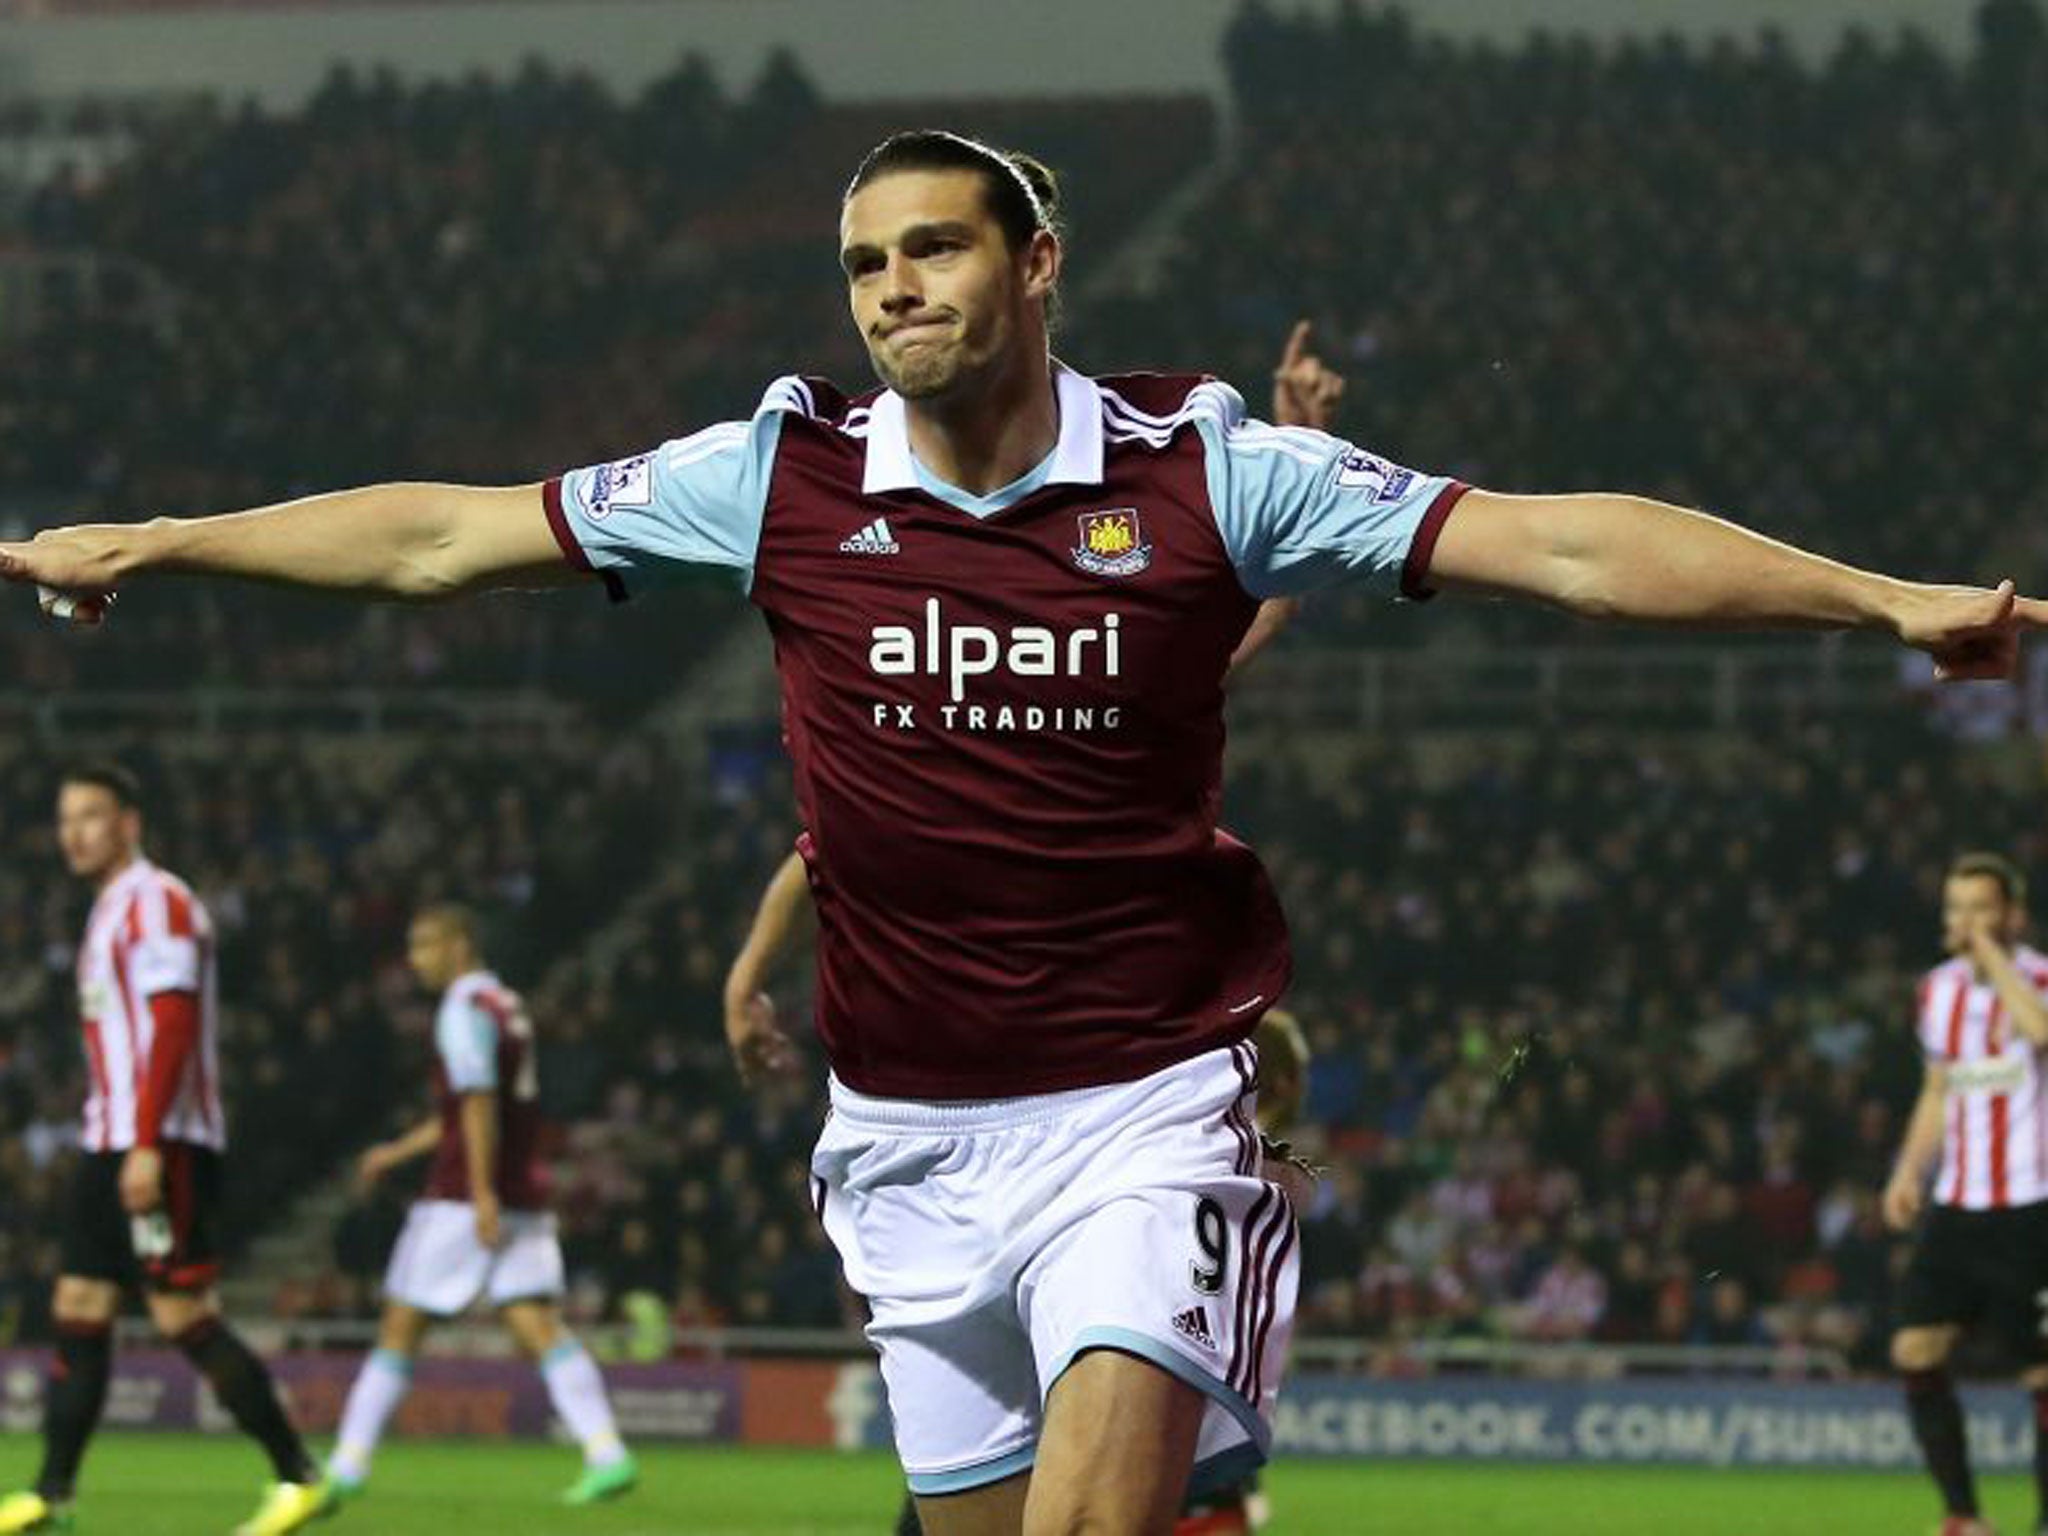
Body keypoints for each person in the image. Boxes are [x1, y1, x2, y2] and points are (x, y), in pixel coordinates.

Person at [4, 129, 2043, 1536]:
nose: (896, 287)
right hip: (899, 1140)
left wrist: (1877, 596)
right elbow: (446, 532)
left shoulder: (1206, 470)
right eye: (868, 259)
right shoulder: (775, 476)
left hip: (1148, 1109)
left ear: (1036, 262)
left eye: (939, 247)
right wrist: (173, 540)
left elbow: (1571, 550)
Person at [720, 323, 1341, 1536]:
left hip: (1116, 1085)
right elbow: (822, 854)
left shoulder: (1111, 677)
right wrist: (748, 974)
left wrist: (1302, 462)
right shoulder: (914, 732)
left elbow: (1214, 626)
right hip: (942, 1118)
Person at [0, 765, 329, 1536]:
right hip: (107, 1137)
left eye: (91, 815)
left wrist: (147, 1145)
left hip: (162, 1142)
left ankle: (297, 1475)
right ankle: (54, 1494)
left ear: (129, 823)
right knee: (77, 1307)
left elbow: (173, 1023)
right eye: (66, 817)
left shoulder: (159, 902)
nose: (74, 831)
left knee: (182, 1313)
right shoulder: (108, 910)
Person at [323, 904, 635, 1507]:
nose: (416, 960)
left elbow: (478, 1103)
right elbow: (464, 1111)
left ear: (460, 944)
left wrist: (481, 1192)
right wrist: (395, 1152)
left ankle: (346, 1465)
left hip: (465, 1198)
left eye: (424, 945)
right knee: (536, 1324)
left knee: (400, 1324)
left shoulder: (461, 1010)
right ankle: (607, 1452)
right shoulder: (506, 1005)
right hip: (526, 1189)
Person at [1884, 852, 2048, 1536]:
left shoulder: (2038, 977)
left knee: (2042, 1377)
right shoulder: (1936, 991)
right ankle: (1963, 1517)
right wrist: (1905, 1172)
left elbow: (2042, 1034)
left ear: (2012, 914)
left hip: (2032, 1207)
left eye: (1981, 908)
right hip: (1958, 1206)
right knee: (1914, 1348)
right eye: (1955, 909)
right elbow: (1937, 1088)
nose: (1965, 922)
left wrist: (1993, 957)